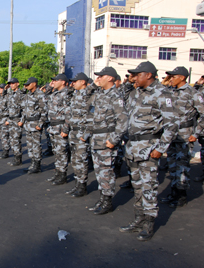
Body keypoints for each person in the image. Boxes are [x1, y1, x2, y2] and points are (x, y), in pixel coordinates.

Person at [119, 61, 179, 241]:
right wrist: (130, 81)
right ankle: (138, 220)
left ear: (149, 75)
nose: (134, 78)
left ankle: (148, 224)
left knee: (148, 188)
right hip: (133, 148)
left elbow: (172, 124)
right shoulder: (136, 93)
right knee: (137, 187)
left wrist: (160, 148)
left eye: (138, 75)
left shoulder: (162, 94)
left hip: (148, 150)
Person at [159, 67, 204, 208]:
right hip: (171, 135)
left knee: (182, 167)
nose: (171, 79)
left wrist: (196, 133)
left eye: (173, 76)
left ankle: (181, 195)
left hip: (185, 135)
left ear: (182, 77)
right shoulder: (170, 92)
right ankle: (173, 192)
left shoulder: (193, 93)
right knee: (172, 165)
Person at [87, 67, 128, 215]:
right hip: (96, 139)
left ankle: (107, 202)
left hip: (106, 140)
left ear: (110, 78)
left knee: (106, 172)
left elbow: (123, 120)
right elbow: (85, 98)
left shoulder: (115, 96)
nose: (98, 79)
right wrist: (93, 85)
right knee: (99, 172)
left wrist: (114, 140)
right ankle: (102, 198)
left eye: (101, 76)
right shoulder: (100, 94)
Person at [62, 72, 96, 197]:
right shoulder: (75, 95)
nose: (73, 83)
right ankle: (77, 184)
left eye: (75, 81)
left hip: (81, 132)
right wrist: (66, 130)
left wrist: (87, 133)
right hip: (73, 132)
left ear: (83, 82)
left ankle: (82, 186)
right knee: (75, 160)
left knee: (81, 160)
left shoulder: (90, 96)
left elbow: (92, 116)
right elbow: (69, 114)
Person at [46, 74, 73, 185]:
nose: (53, 82)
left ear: (62, 82)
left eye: (55, 81)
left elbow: (69, 113)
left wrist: (66, 129)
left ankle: (62, 175)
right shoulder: (55, 93)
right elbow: (45, 97)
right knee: (56, 152)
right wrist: (49, 86)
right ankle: (58, 173)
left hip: (60, 127)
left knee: (61, 152)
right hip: (53, 127)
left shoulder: (66, 94)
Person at [20, 77, 47, 174]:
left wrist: (40, 124)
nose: (26, 86)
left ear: (34, 84)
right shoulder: (28, 95)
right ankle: (32, 163)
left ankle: (37, 165)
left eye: (28, 84)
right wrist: (22, 121)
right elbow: (24, 110)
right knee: (30, 145)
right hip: (28, 124)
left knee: (36, 145)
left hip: (35, 124)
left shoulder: (40, 94)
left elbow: (44, 110)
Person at [6, 78, 25, 166]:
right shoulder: (10, 94)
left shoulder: (21, 94)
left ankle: (18, 159)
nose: (11, 85)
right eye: (10, 84)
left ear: (18, 84)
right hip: (11, 120)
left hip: (17, 120)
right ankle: (15, 157)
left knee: (16, 140)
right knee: (12, 140)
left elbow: (24, 109)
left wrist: (22, 120)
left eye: (13, 83)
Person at [0, 84, 11, 158]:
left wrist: (8, 120)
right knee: (2, 136)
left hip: (5, 119)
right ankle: (4, 150)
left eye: (1, 88)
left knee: (5, 136)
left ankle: (6, 151)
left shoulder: (7, 97)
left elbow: (10, 109)